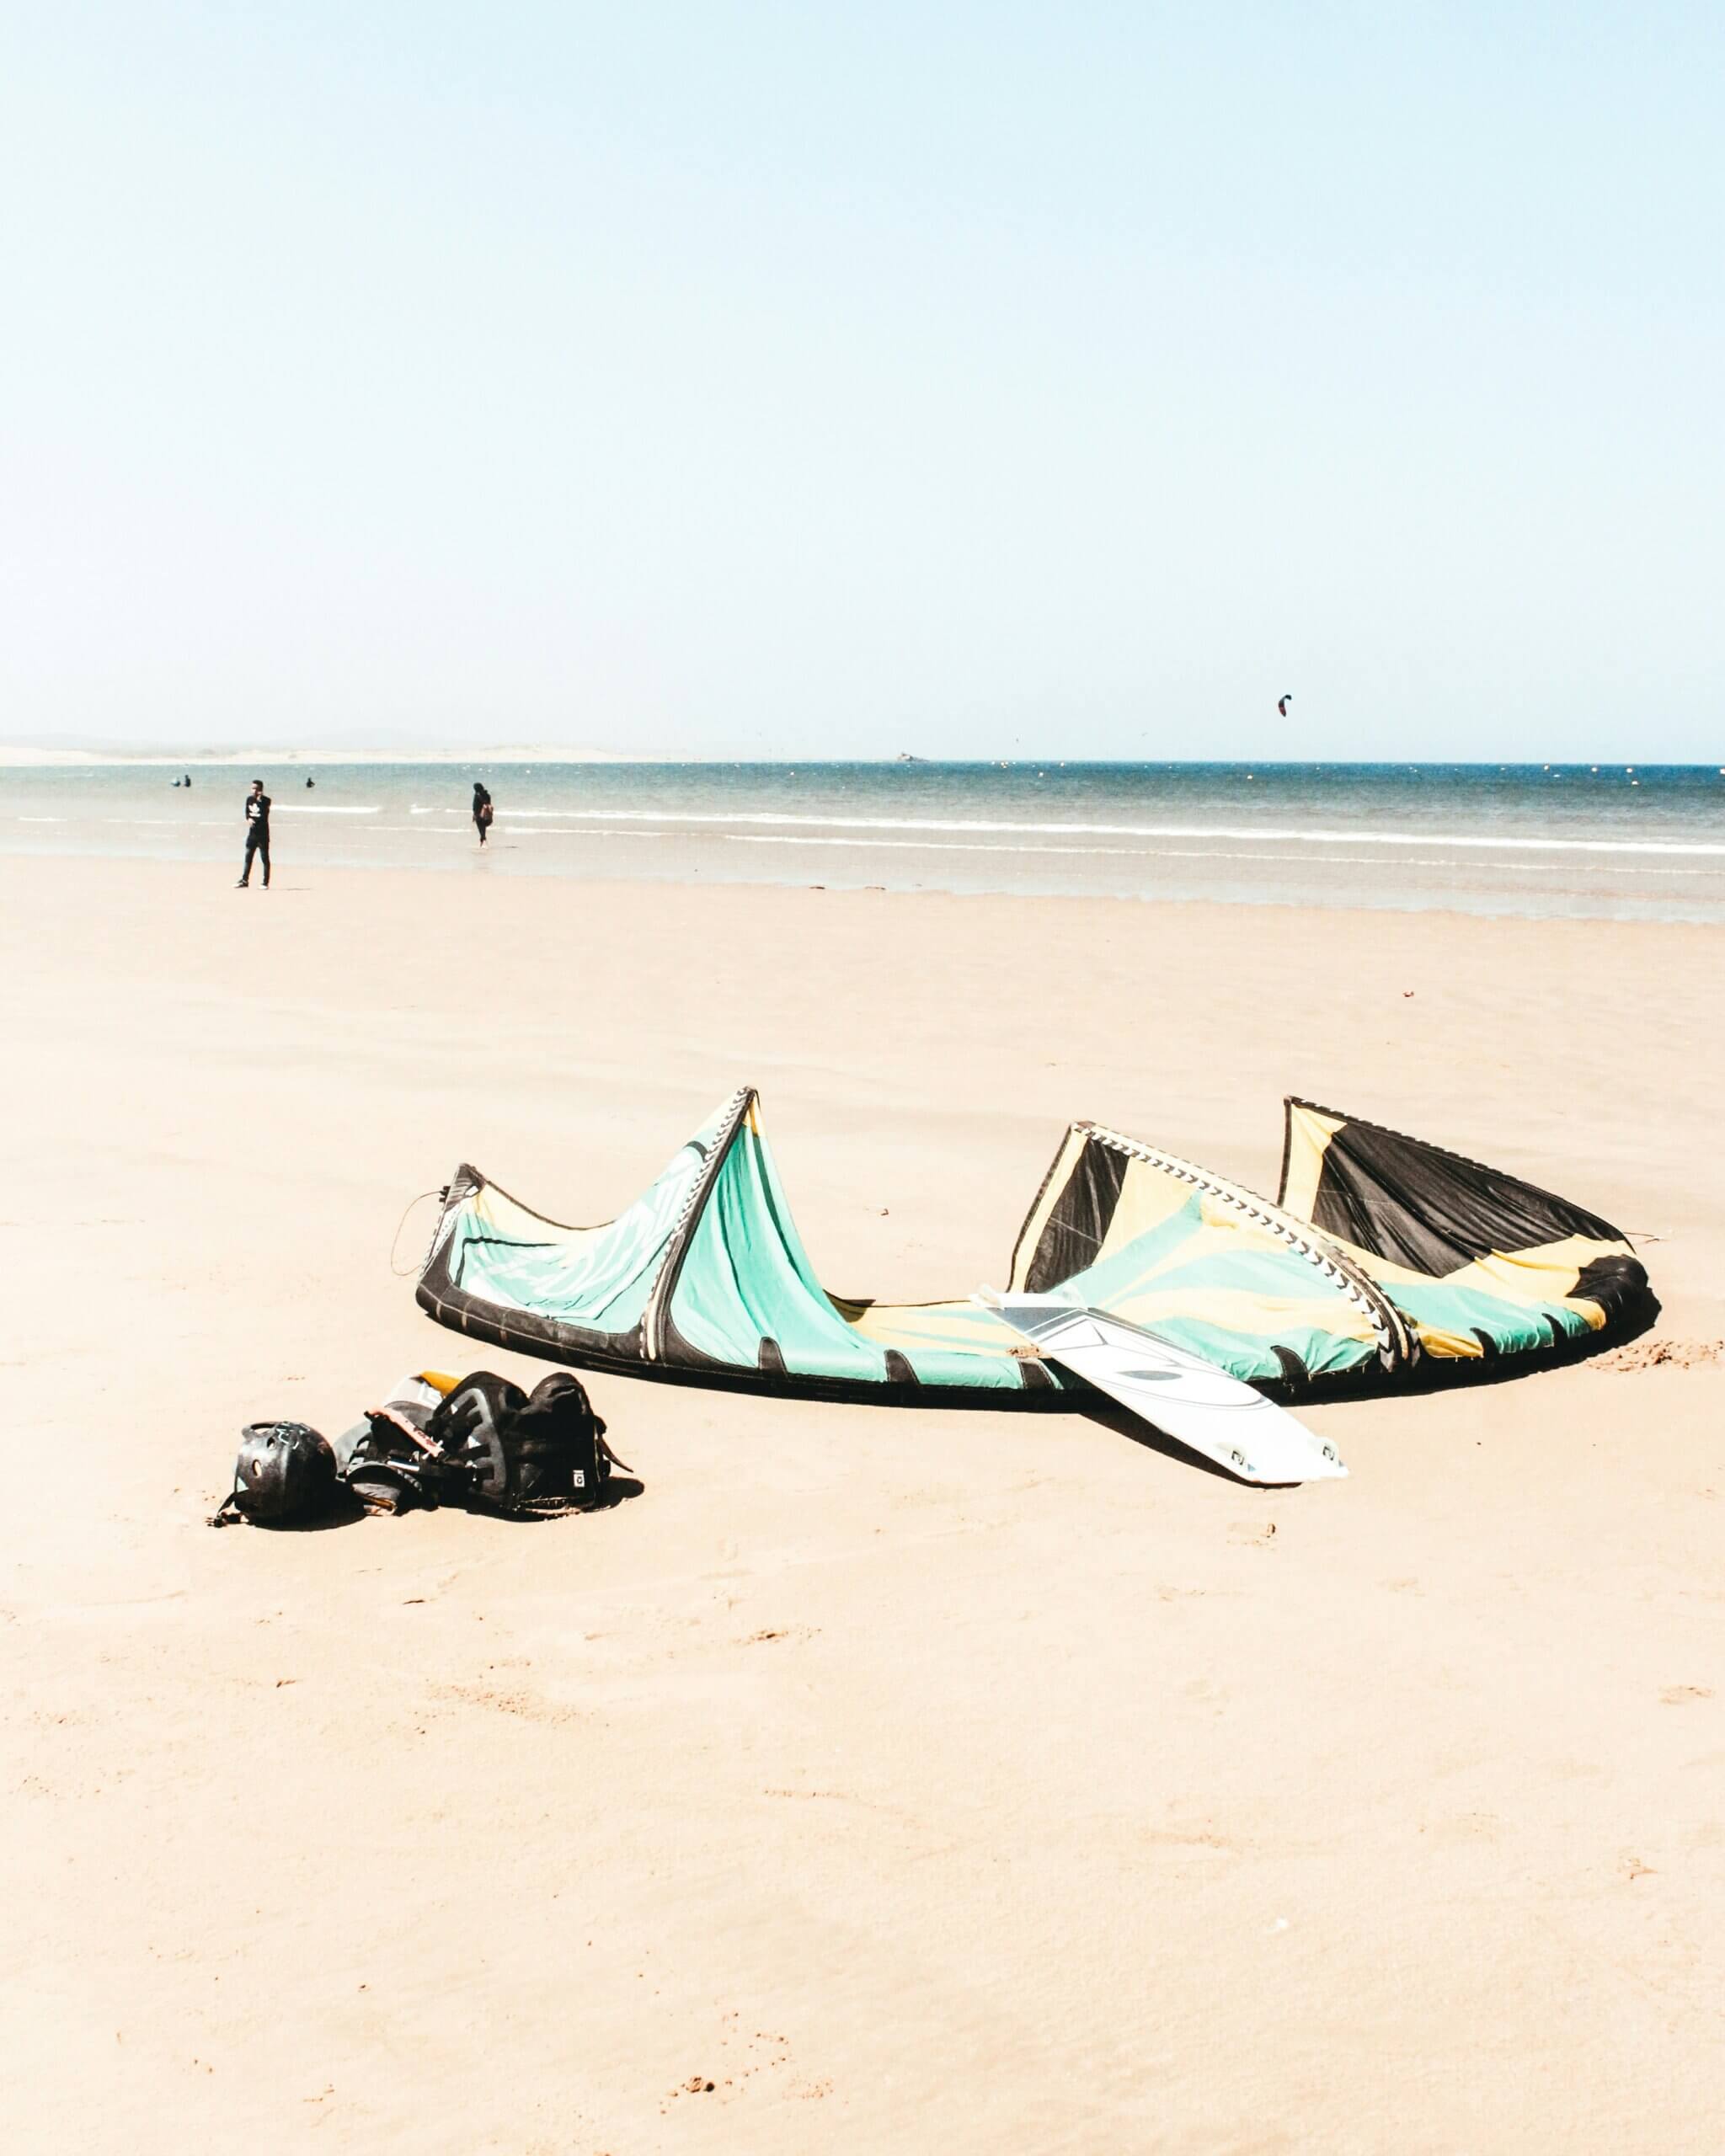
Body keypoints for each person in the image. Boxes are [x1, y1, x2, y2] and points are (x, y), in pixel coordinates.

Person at [237, 779, 271, 889]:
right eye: (252, 788)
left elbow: (264, 814)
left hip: (263, 835)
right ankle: (244, 880)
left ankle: (265, 882)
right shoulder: (249, 799)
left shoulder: (266, 801)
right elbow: (247, 812)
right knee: (248, 857)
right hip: (252, 835)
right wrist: (248, 819)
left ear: (261, 789)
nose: (254, 791)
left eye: (256, 788)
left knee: (264, 859)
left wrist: (260, 800)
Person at [472, 781, 494, 846]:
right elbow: (488, 803)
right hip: (487, 815)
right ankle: (483, 841)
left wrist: (474, 814)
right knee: (483, 828)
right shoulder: (487, 795)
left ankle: (482, 841)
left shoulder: (477, 795)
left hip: (479, 815)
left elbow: (475, 806)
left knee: (481, 828)